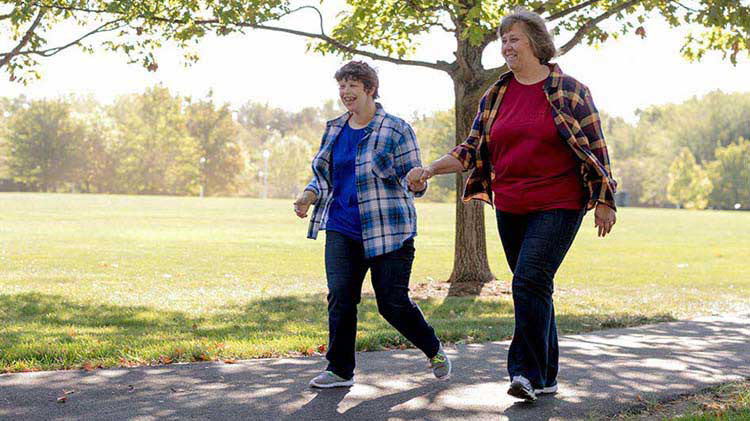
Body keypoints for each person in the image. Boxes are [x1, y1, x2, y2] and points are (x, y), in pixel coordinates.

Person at [407, 8, 617, 402]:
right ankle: (548, 375)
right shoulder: (497, 94)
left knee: (526, 282)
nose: (506, 46)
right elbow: (471, 149)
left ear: (536, 43)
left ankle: (524, 373)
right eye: (503, 40)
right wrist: (431, 169)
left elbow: (596, 147)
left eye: (514, 39)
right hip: (511, 206)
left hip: (559, 203)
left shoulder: (569, 90)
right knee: (537, 287)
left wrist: (605, 198)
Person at [293, 61, 451, 388]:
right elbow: (324, 176)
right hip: (342, 227)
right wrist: (308, 195)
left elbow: (415, 179)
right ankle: (339, 370)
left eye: (353, 85)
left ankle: (433, 348)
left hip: (388, 232)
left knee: (392, 304)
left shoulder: (396, 129)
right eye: (342, 85)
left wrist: (418, 181)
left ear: (370, 89)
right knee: (340, 295)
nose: (346, 92)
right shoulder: (334, 129)